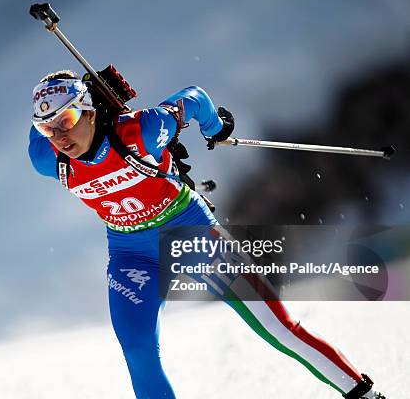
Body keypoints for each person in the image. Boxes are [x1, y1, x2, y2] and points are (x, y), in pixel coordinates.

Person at [27, 70, 385, 399]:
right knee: (137, 349)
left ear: (90, 112)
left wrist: (214, 128)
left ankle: (364, 395)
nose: (59, 137)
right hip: (131, 253)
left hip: (191, 232)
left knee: (276, 329)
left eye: (67, 121)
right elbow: (48, 120)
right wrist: (65, 84)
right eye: (48, 129)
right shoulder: (47, 159)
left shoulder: (142, 131)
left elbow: (195, 97)